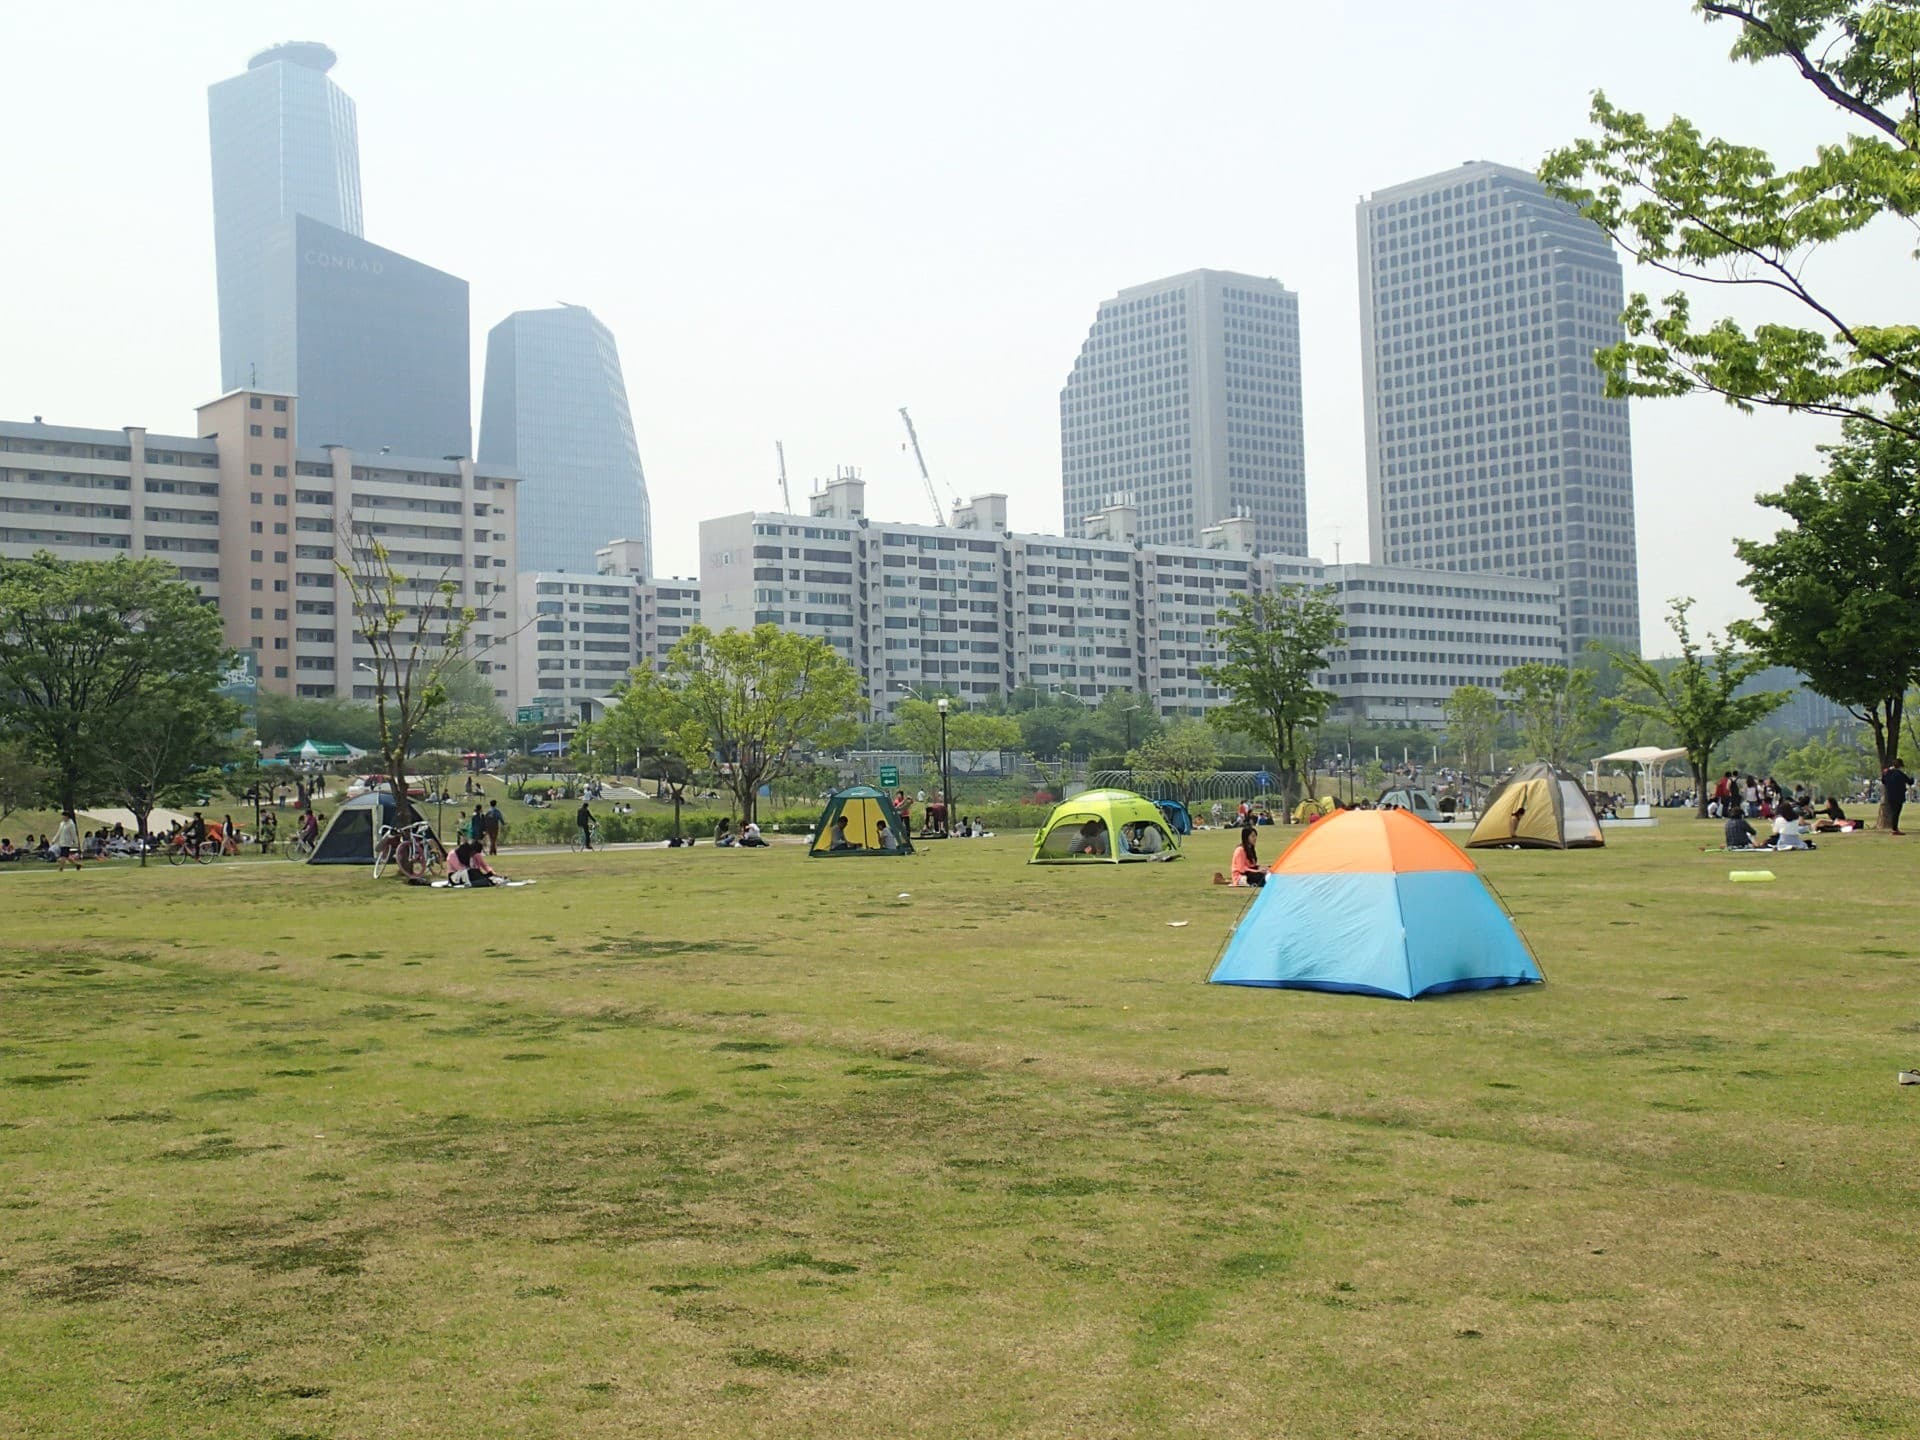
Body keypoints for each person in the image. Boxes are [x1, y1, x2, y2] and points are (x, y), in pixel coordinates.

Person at [1882, 757, 1912, 835]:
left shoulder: (1887, 772)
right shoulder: (1900, 774)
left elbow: (1883, 781)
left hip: (1890, 795)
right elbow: (1910, 782)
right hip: (1899, 796)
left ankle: (1894, 828)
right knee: (1896, 812)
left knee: (1893, 812)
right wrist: (1911, 778)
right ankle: (1894, 829)